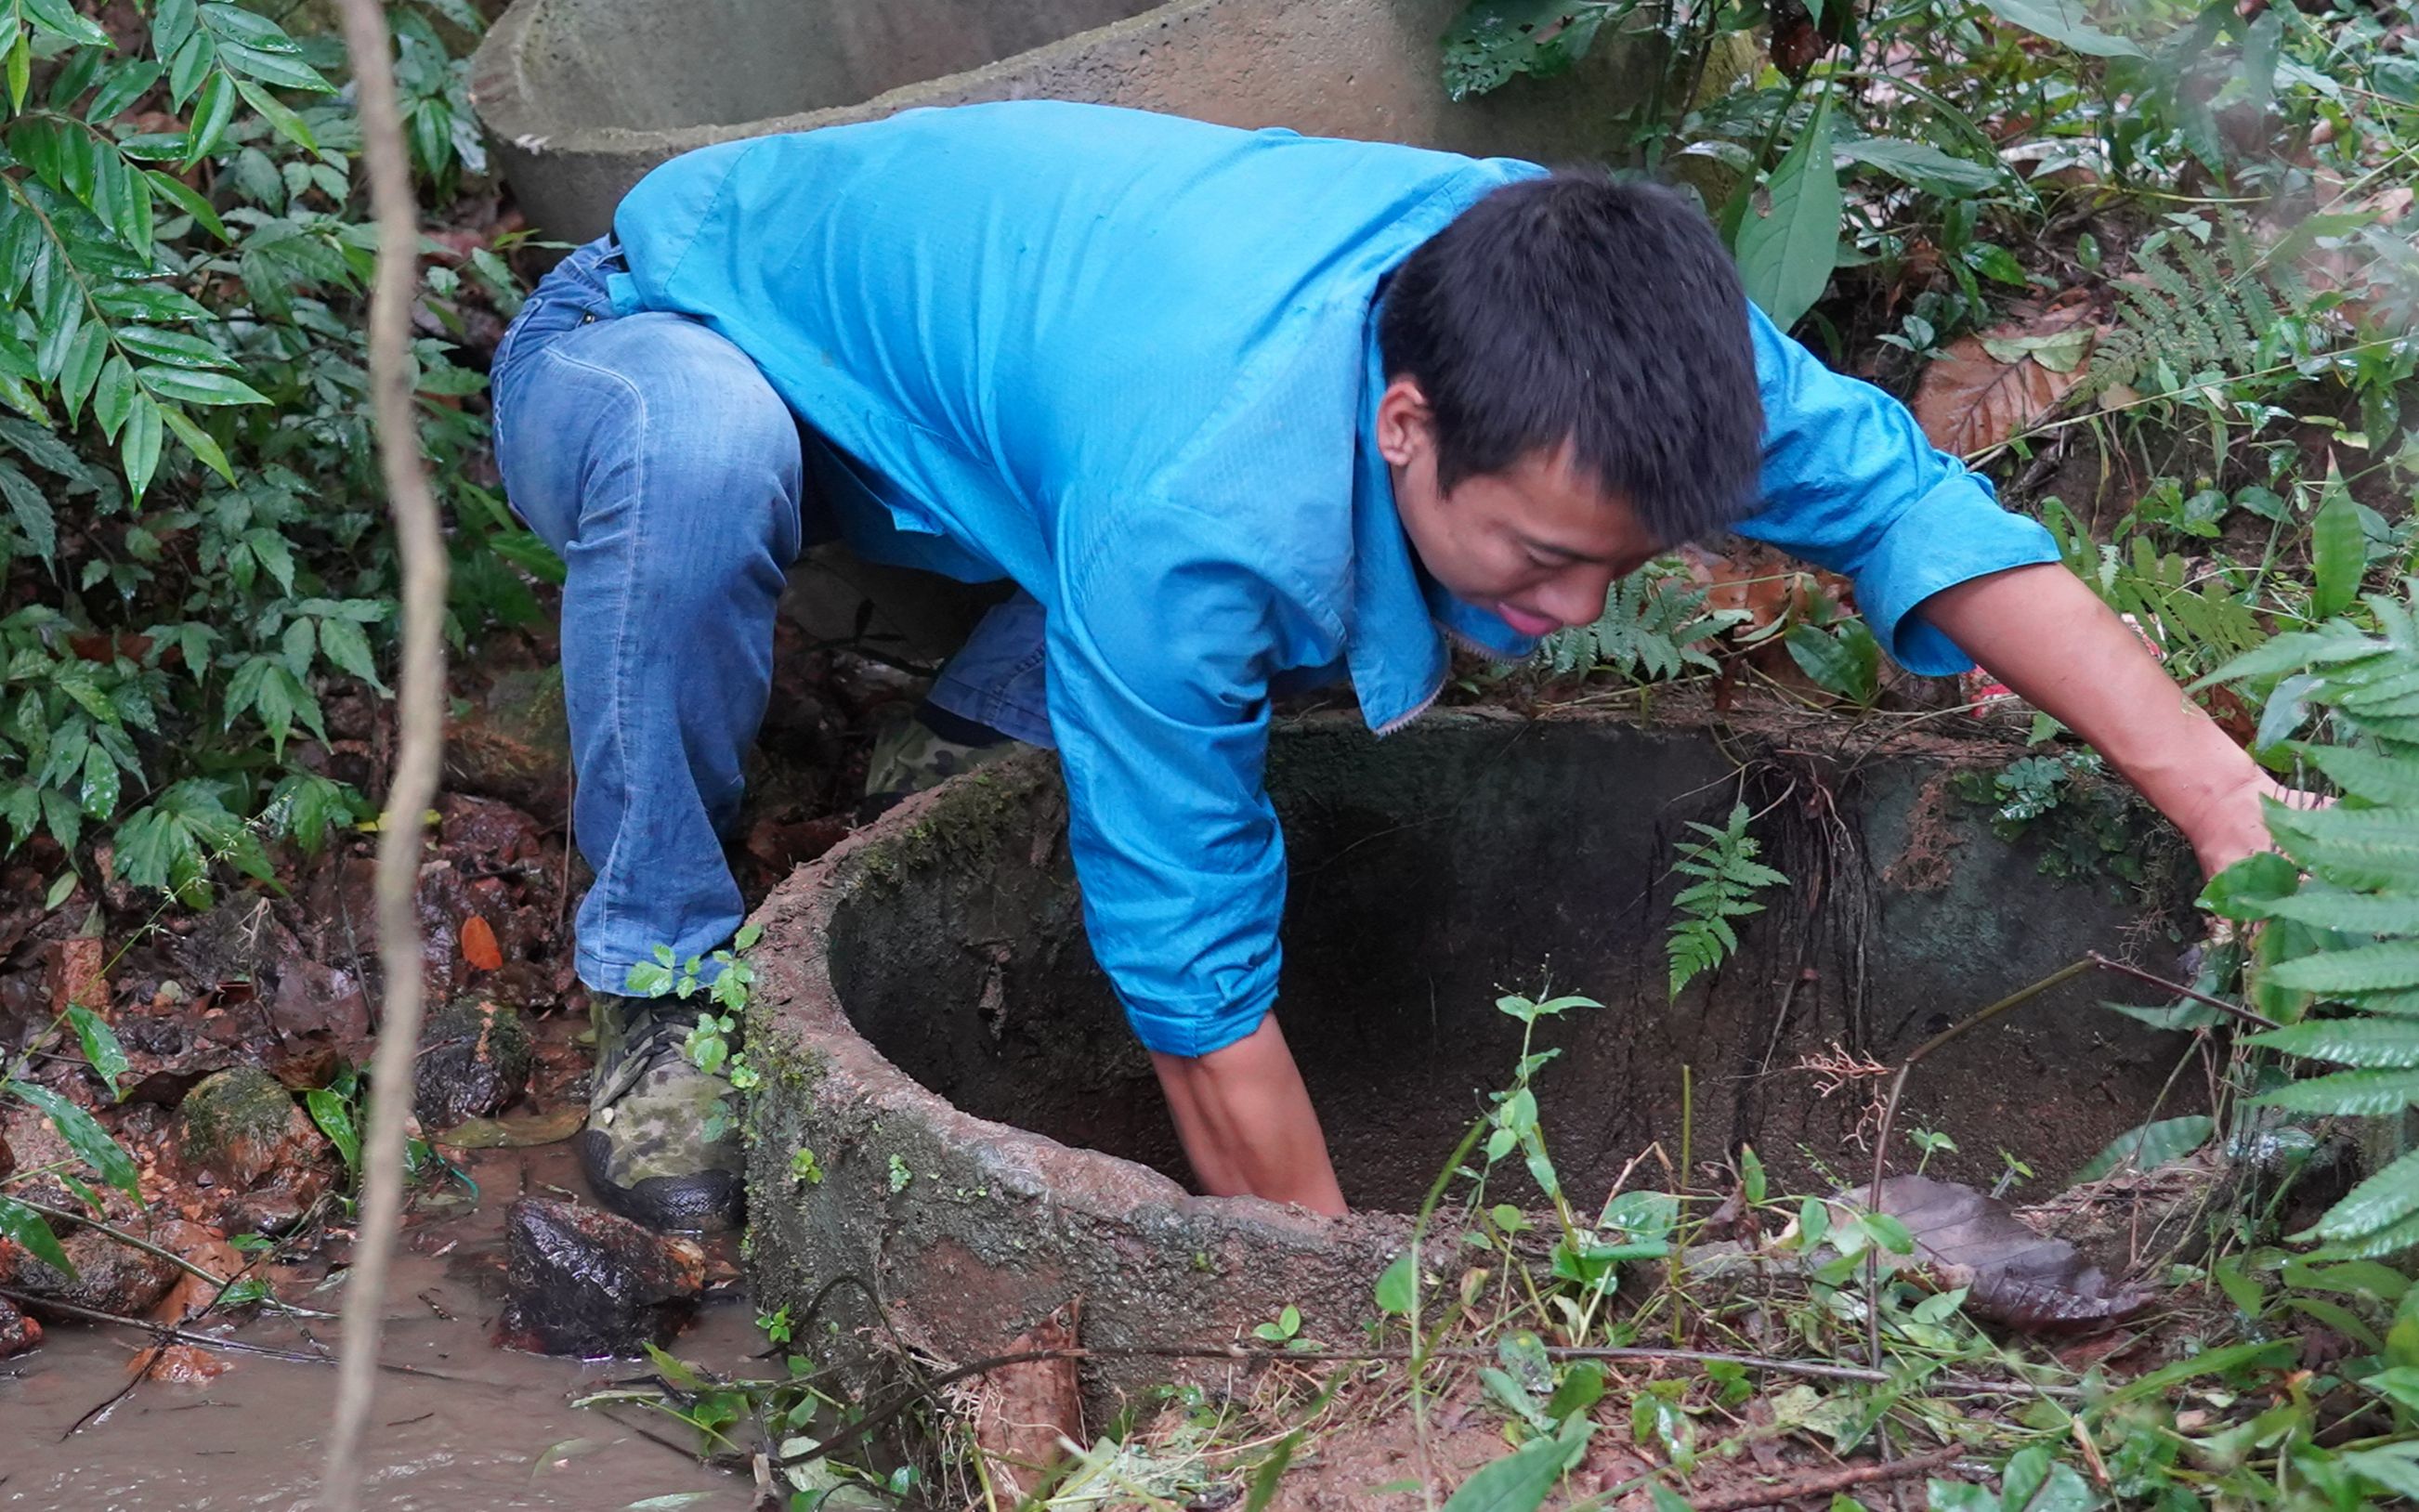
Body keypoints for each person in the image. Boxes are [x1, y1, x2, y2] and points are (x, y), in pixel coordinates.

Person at [488, 100, 2284, 1231]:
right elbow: (1194, 975)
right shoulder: (1205, 513)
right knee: (706, 450)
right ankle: (658, 976)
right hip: (670, 326)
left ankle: (974, 741)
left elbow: (1915, 507)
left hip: (1040, 401)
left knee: (1174, 577)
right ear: (1407, 422)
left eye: (1626, 564)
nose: (1579, 614)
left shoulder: (1627, 350)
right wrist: (1343, 1295)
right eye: (1544, 560)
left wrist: (2222, 800)